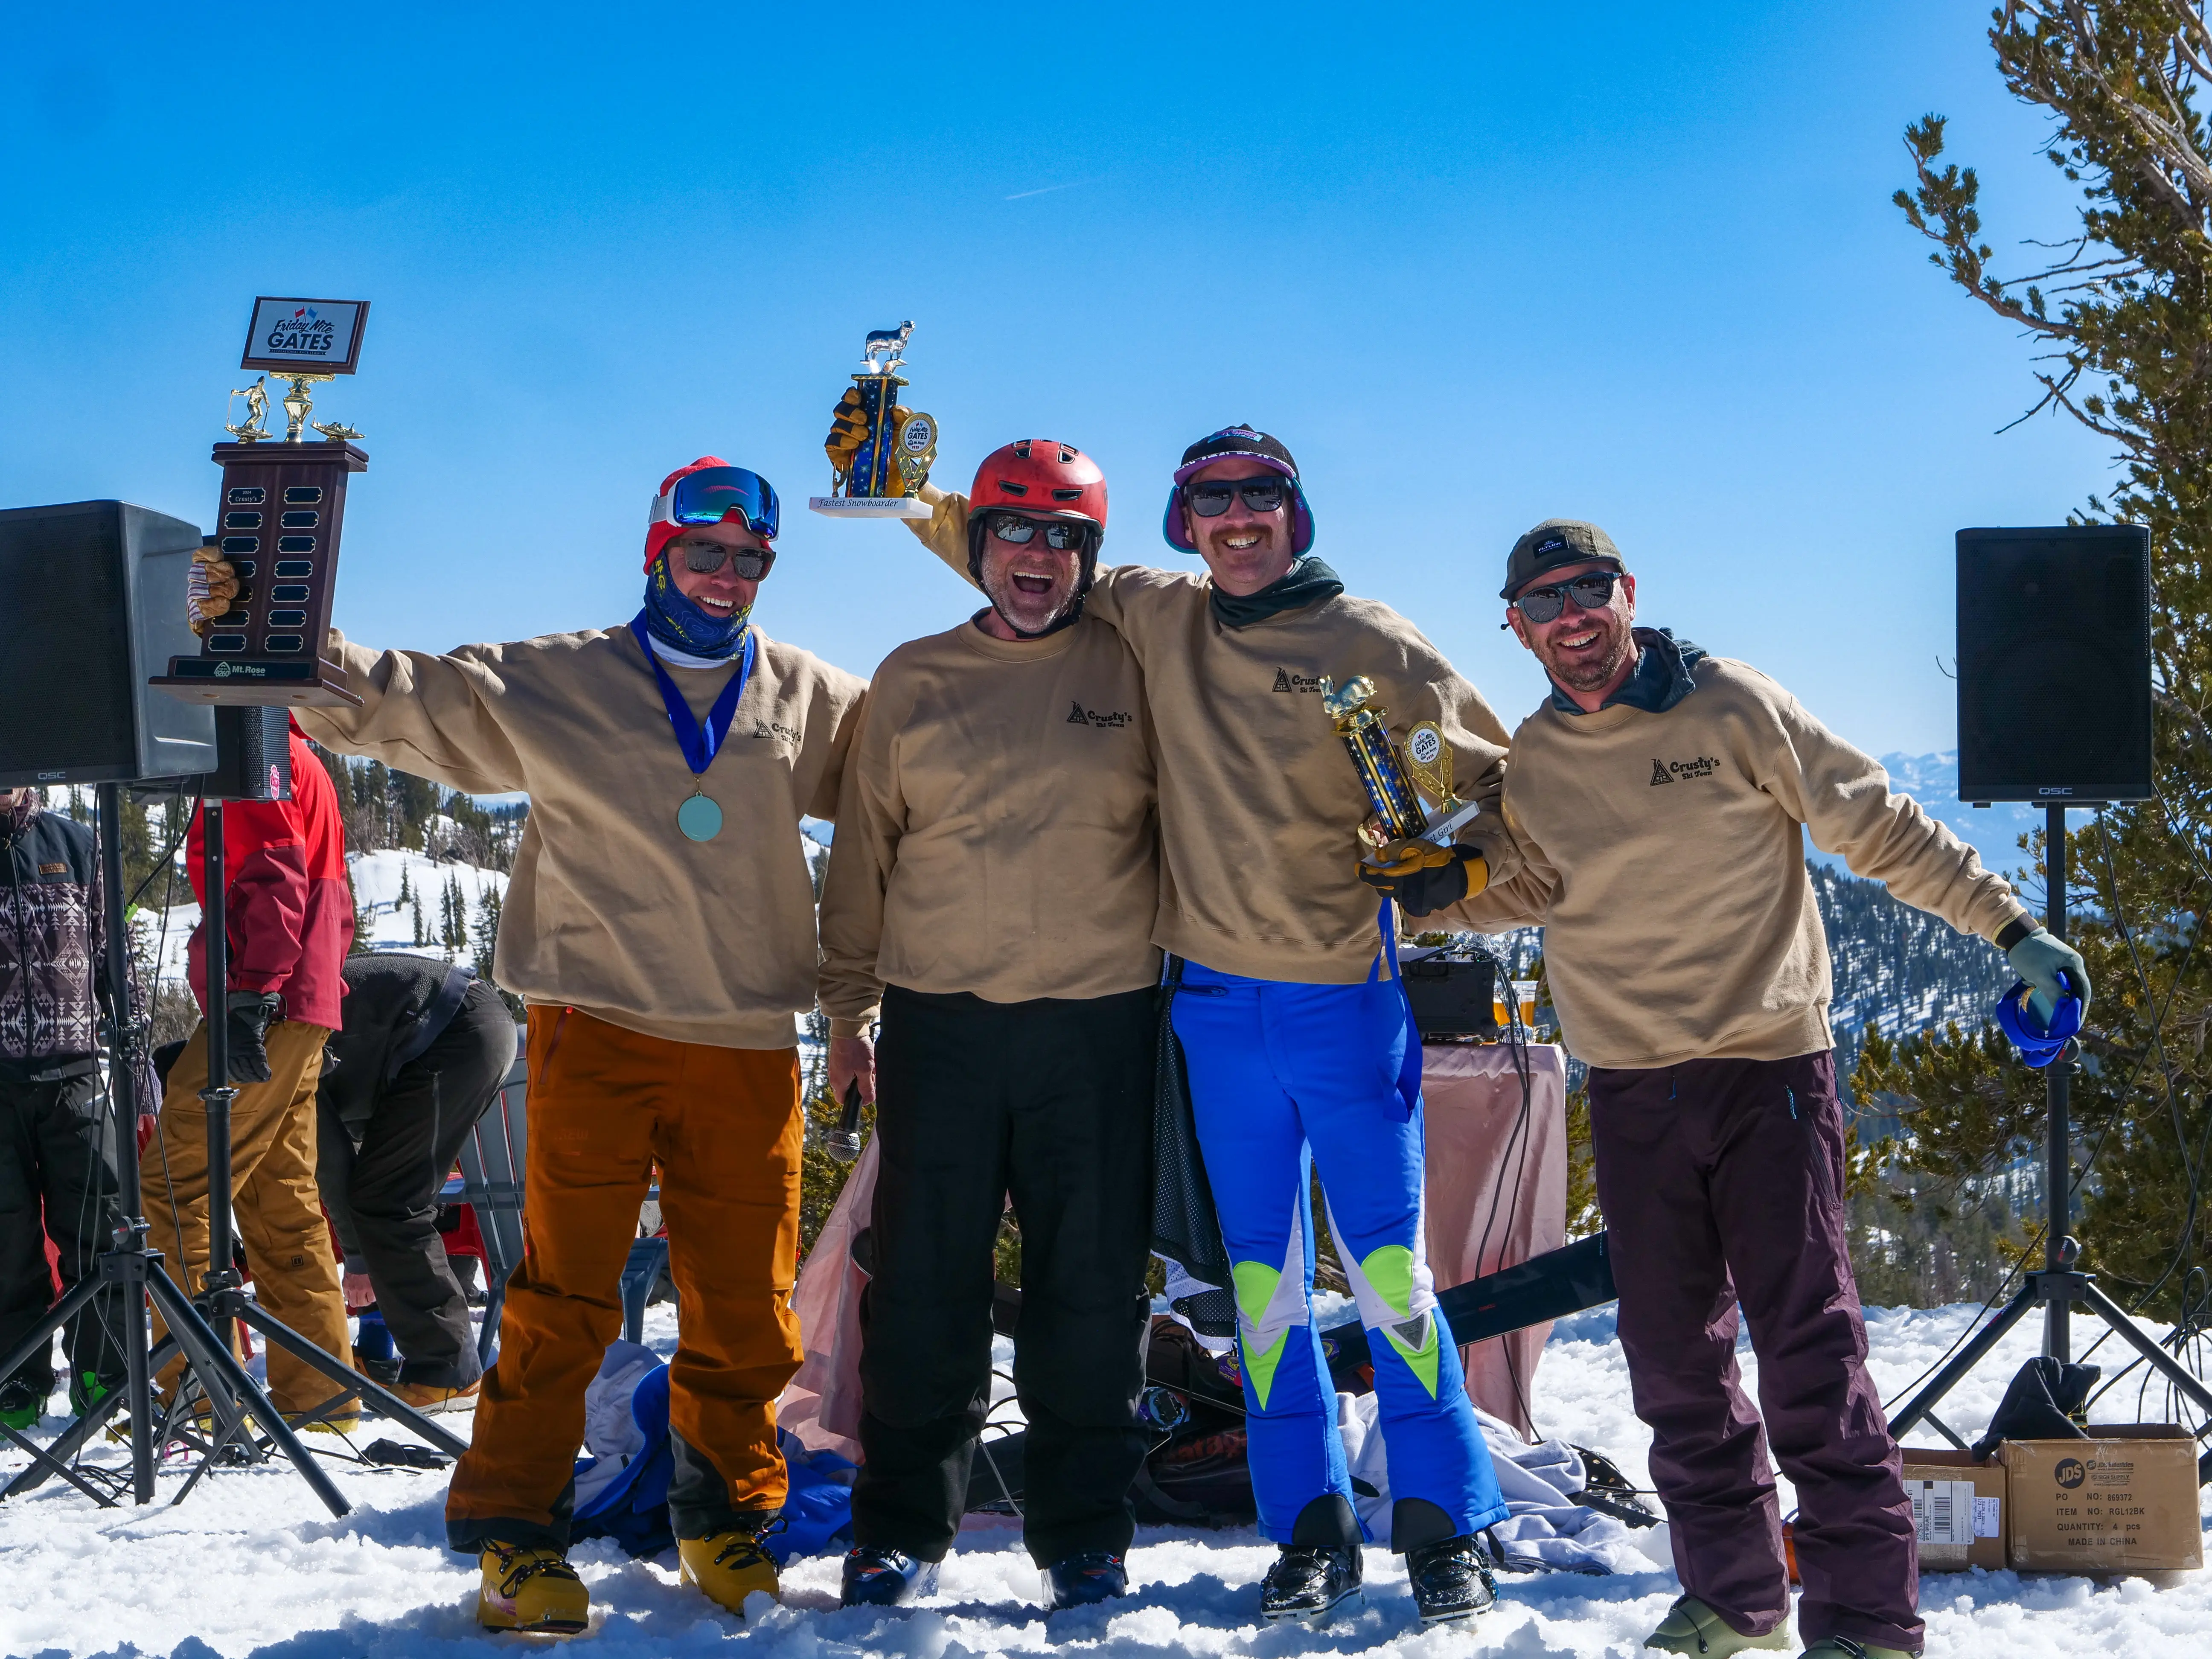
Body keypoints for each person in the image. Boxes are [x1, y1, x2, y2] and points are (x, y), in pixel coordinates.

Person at [1382, 519, 2087, 1659]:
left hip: (1770, 1077)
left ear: (1628, 593)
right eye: (1545, 603)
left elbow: (1879, 822)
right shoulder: (1540, 757)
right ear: (1517, 629)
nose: (1573, 618)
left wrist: (2015, 929)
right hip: (1631, 1088)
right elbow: (1532, 885)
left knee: (1810, 1355)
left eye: (1589, 590)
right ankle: (1736, 1598)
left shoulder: (1732, 706)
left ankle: (1866, 1622)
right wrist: (1419, 894)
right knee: (1673, 1363)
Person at [872, 409, 1516, 1624]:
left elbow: (1503, 793)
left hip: (1342, 1003)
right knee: (1261, 1292)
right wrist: (901, 481)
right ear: (1183, 524)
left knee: (1388, 1276)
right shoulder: (1157, 614)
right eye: (1212, 504)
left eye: (1259, 498)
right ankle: (1310, 1528)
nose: (1236, 522)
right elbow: (1016, 545)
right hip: (1213, 1010)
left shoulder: (1372, 642)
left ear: (1296, 512)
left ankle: (1447, 1522)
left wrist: (1458, 877)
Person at [281, 458, 866, 1632]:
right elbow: (412, 697)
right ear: (659, 550)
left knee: (747, 1307)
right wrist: (275, 623)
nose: (728, 579)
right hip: (596, 1029)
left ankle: (725, 1515)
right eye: (707, 554)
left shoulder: (807, 696)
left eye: (753, 561)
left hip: (749, 1040)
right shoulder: (565, 678)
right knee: (565, 1296)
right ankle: (515, 1529)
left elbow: (922, 778)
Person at [816, 438, 1158, 1610]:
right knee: (923, 1287)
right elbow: (863, 859)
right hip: (942, 1023)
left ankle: (1083, 1536)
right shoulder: (912, 677)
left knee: (1092, 1291)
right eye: (1015, 531)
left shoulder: (1135, 672)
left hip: (1102, 1026)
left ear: (1090, 558)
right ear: (976, 546)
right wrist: (848, 1016)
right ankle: (901, 1527)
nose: (1038, 556)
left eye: (1065, 537)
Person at [143, 717, 357, 1429]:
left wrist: (254, 995)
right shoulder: (293, 753)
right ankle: (320, 1397)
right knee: (280, 1198)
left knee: (174, 1183)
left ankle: (196, 1393)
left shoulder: (250, 755)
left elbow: (276, 872)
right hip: (302, 997)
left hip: (265, 998)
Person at [317, 952, 516, 1412]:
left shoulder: (267, 1042)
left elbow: (329, 1160)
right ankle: (444, 1366)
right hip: (458, 1029)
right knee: (392, 1195)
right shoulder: (267, 1024)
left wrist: (359, 1259)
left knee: (388, 1201)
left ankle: (447, 1370)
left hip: (453, 1030)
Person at [0, 788, 127, 1429]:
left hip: (76, 1070)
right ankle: (15, 1386)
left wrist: (138, 1074)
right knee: (6, 1238)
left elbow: (114, 959)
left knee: (98, 1230)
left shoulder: (76, 844)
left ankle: (100, 1378)